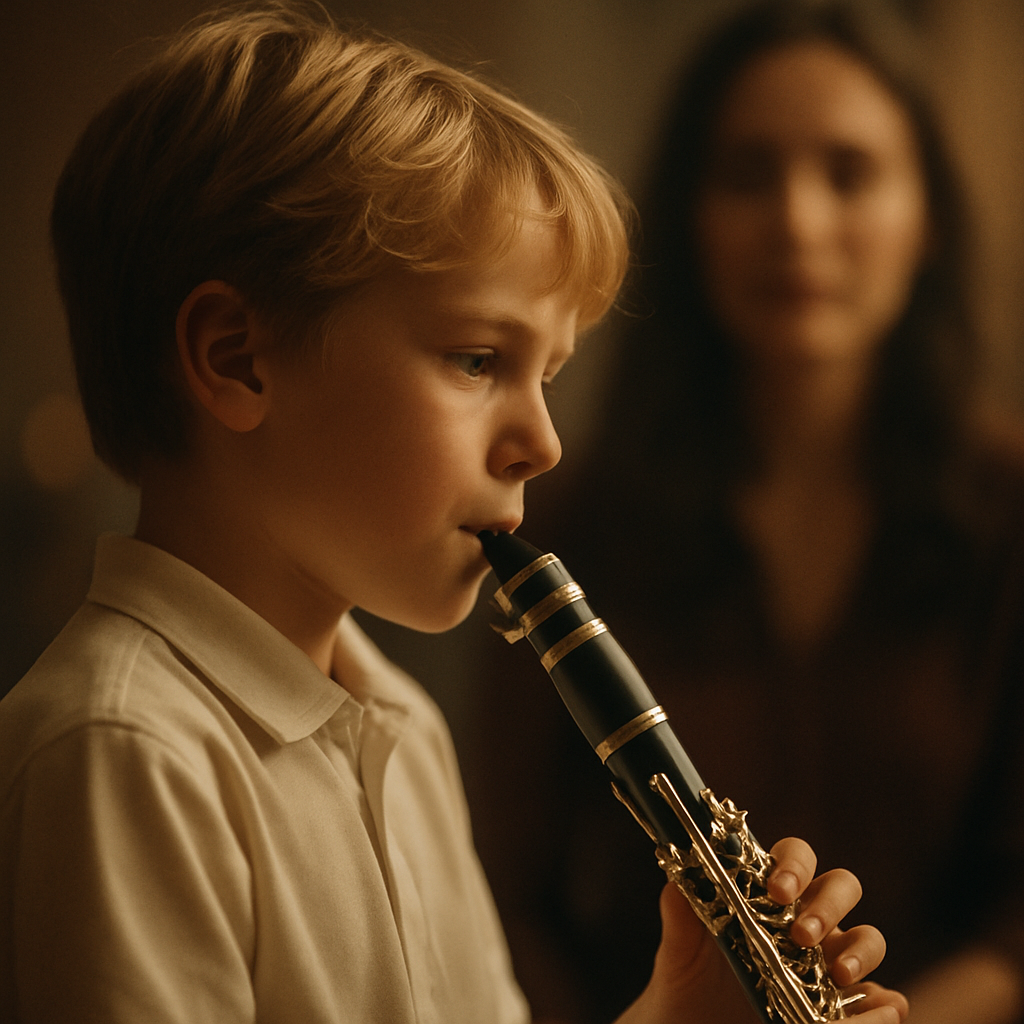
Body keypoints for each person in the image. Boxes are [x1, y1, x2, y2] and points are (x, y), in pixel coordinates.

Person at [0, 4, 909, 1023]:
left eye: (546, 376)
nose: (544, 443)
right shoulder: (123, 752)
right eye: (478, 360)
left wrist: (677, 1012)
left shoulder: (401, 723)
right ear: (236, 358)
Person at [468, 1, 1024, 1023]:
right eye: (747, 175)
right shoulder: (573, 518)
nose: (797, 223)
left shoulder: (1011, 512)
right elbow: (508, 887)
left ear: (927, 219)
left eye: (849, 173)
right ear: (690, 219)